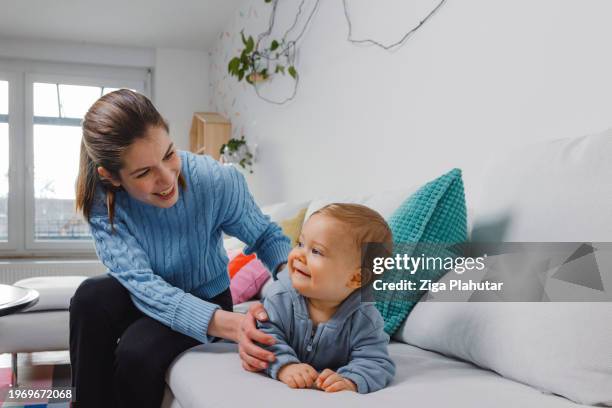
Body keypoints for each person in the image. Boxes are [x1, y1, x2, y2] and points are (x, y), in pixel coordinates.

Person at [70, 89, 290, 408]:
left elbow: (266, 237)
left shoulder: (216, 181)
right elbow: (141, 283)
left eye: (169, 154)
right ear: (112, 177)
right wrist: (231, 325)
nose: (167, 178)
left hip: (205, 296)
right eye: (144, 172)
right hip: (143, 294)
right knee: (90, 296)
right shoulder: (103, 201)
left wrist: (290, 279)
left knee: (137, 350)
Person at [258, 203, 396, 394]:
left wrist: (350, 379)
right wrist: (285, 366)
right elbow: (262, 337)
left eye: (316, 251)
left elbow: (376, 361)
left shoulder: (364, 318)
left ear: (356, 278)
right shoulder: (280, 297)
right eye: (300, 243)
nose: (299, 255)